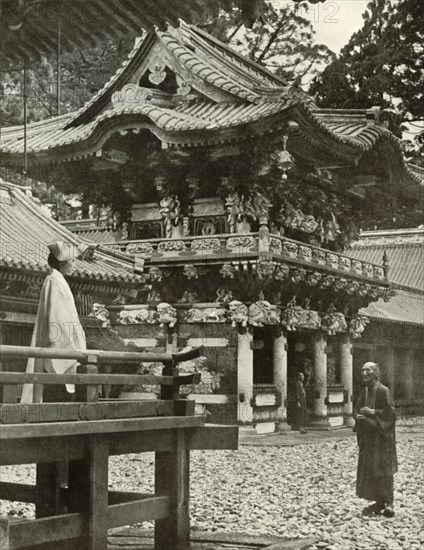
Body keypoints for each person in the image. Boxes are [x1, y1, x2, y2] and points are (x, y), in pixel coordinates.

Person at [20, 241, 88, 403]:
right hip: (58, 347)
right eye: (71, 261)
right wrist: (70, 345)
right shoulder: (54, 281)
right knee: (58, 394)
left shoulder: (58, 281)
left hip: (64, 345)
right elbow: (57, 318)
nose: (73, 264)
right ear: (62, 263)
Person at [354, 362, 398, 518]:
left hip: (382, 438)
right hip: (368, 439)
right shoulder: (364, 393)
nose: (364, 372)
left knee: (383, 469)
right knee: (370, 469)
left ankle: (390, 502)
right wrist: (358, 417)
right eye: (363, 369)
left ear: (376, 373)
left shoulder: (384, 391)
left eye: (368, 370)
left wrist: (373, 412)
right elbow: (357, 410)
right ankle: (379, 502)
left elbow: (391, 415)